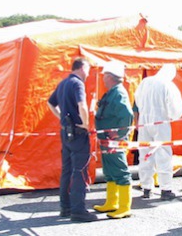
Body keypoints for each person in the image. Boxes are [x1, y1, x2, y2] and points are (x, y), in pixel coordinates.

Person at [47, 57, 97, 222]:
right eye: (88, 69)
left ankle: (65, 207)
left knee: (67, 171)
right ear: (82, 67)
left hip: (66, 132)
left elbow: (50, 103)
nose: (88, 73)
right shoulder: (78, 83)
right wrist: (85, 124)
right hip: (77, 133)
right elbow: (82, 105)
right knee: (80, 171)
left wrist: (61, 117)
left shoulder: (63, 83)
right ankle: (78, 210)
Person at [134, 64, 182, 200]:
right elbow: (176, 109)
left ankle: (146, 188)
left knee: (145, 154)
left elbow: (137, 100)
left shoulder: (145, 82)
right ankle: (165, 189)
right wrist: (171, 116)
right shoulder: (168, 85)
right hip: (161, 123)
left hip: (144, 122)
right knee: (163, 154)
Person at [92, 61, 134, 219]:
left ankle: (124, 207)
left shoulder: (118, 93)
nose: (103, 79)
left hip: (114, 142)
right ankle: (112, 203)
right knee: (109, 171)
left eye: (104, 76)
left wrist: (119, 133)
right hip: (106, 141)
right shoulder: (112, 92)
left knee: (120, 171)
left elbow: (127, 115)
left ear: (110, 77)